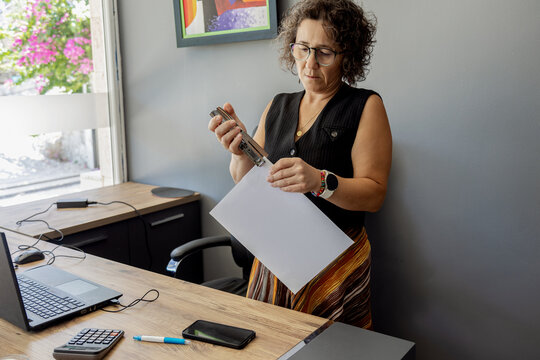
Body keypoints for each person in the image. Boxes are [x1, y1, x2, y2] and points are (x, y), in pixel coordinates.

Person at [208, 0, 391, 329]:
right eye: (302, 48)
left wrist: (320, 181)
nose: (309, 63)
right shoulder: (278, 105)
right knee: (269, 344)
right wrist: (238, 151)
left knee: (331, 350)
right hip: (276, 257)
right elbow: (244, 178)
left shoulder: (365, 106)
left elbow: (374, 194)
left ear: (346, 55)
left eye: (324, 52)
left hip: (334, 262)